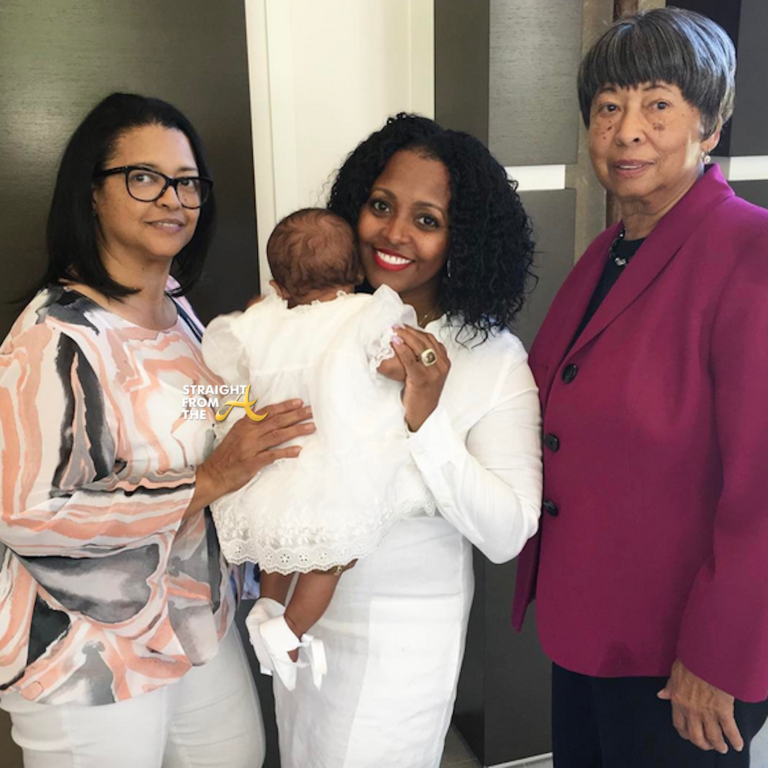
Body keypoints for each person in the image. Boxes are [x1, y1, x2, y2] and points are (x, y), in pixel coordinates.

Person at [0, 93, 314, 768]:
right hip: (85, 653)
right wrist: (211, 479)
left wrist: (270, 363)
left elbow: (192, 409)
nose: (173, 199)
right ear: (92, 192)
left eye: (187, 182)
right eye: (144, 177)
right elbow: (30, 514)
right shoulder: (55, 338)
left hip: (195, 624)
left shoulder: (175, 306)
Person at [511, 8, 768, 767]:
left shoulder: (749, 252)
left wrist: (719, 656)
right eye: (608, 107)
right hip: (592, 626)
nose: (627, 131)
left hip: (683, 653)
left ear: (709, 124)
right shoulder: (608, 253)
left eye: (658, 104)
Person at [267, 114, 543, 768]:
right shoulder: (316, 322)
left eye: (427, 219)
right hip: (297, 616)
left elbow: (508, 533)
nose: (393, 234)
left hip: (400, 640)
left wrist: (427, 416)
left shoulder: (492, 359)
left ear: (463, 239)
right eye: (381, 205)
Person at [202, 207, 435, 690]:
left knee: (281, 547)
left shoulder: (257, 322)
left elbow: (227, 388)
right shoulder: (365, 314)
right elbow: (395, 363)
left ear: (277, 285)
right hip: (338, 470)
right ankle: (288, 631)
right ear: (354, 272)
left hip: (277, 466)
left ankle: (269, 605)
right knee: (328, 560)